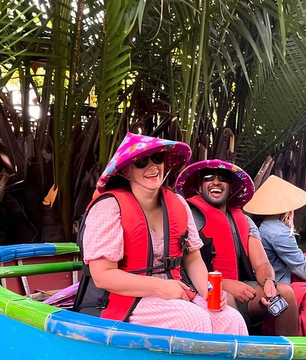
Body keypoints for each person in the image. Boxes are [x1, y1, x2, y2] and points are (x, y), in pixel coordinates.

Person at [75, 133, 248, 335]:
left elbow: (193, 259)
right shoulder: (109, 206)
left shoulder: (179, 204)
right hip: (121, 299)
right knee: (193, 319)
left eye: (157, 159)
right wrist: (160, 287)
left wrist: (208, 292)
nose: (152, 167)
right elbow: (103, 276)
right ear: (126, 170)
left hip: (176, 291)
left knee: (230, 318)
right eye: (141, 162)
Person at [175, 160, 299, 336]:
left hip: (242, 290)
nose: (216, 182)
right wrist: (226, 284)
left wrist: (269, 281)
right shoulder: (187, 217)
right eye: (209, 177)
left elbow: (262, 263)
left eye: (223, 178)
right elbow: (180, 268)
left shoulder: (245, 221)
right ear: (199, 187)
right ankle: (237, 357)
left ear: (231, 188)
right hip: (201, 291)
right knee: (227, 297)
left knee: (285, 292)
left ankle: (287, 355)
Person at [243, 175, 306, 336]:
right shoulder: (277, 231)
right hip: (274, 282)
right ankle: (305, 335)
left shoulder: (263, 223)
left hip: (268, 275)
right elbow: (300, 266)